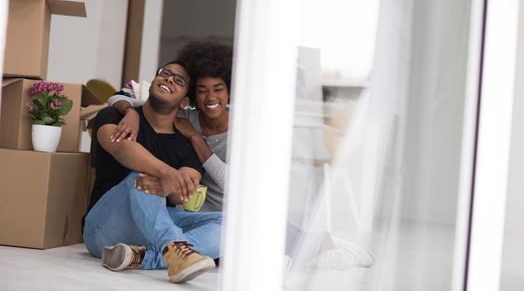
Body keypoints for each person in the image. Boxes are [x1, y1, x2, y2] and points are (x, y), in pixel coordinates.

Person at [107, 40, 372, 276]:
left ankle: (326, 243)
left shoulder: (243, 127)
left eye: (218, 89)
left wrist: (197, 140)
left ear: (230, 91)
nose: (211, 97)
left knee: (275, 234)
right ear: (191, 97)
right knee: (246, 242)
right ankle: (310, 245)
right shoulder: (185, 117)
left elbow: (233, 185)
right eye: (202, 90)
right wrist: (128, 111)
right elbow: (121, 96)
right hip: (204, 214)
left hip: (238, 209)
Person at [83, 58, 222, 284]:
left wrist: (172, 186)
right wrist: (168, 175)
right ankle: (175, 250)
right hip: (103, 227)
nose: (168, 79)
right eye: (165, 73)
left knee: (229, 225)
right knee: (144, 177)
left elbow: (183, 193)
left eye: (179, 80)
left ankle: (143, 257)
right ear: (153, 81)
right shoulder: (113, 117)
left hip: (152, 230)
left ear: (185, 101)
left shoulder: (185, 145)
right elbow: (122, 150)